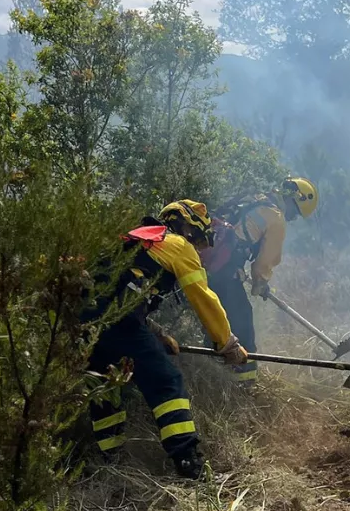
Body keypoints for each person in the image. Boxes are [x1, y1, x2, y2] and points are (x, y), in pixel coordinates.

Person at [81, 200, 249, 480]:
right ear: (187, 227)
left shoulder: (139, 239)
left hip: (86, 323)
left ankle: (111, 462)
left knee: (106, 387)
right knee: (166, 382)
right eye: (199, 240)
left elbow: (121, 294)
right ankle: (189, 464)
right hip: (118, 322)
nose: (198, 249)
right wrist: (227, 343)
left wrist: (157, 334)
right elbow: (203, 298)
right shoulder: (177, 245)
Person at [203, 177, 319, 383]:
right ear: (294, 200)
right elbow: (265, 262)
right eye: (295, 213)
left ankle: (209, 371)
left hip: (207, 263)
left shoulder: (256, 198)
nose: (292, 218)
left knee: (217, 317)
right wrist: (261, 283)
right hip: (225, 271)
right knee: (243, 324)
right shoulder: (276, 218)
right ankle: (245, 382)